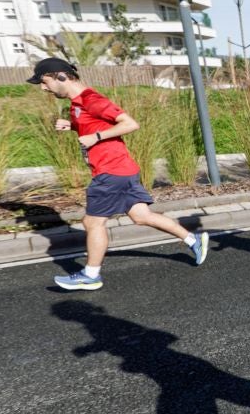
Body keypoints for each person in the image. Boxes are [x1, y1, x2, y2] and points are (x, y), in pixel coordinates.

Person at [27, 57, 207, 290]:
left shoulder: (92, 99)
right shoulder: (77, 103)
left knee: (92, 222)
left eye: (44, 82)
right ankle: (193, 240)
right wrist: (72, 126)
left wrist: (96, 137)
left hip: (110, 171)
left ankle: (91, 275)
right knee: (141, 216)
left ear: (60, 76)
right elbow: (95, 124)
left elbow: (130, 124)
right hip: (123, 169)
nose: (43, 88)